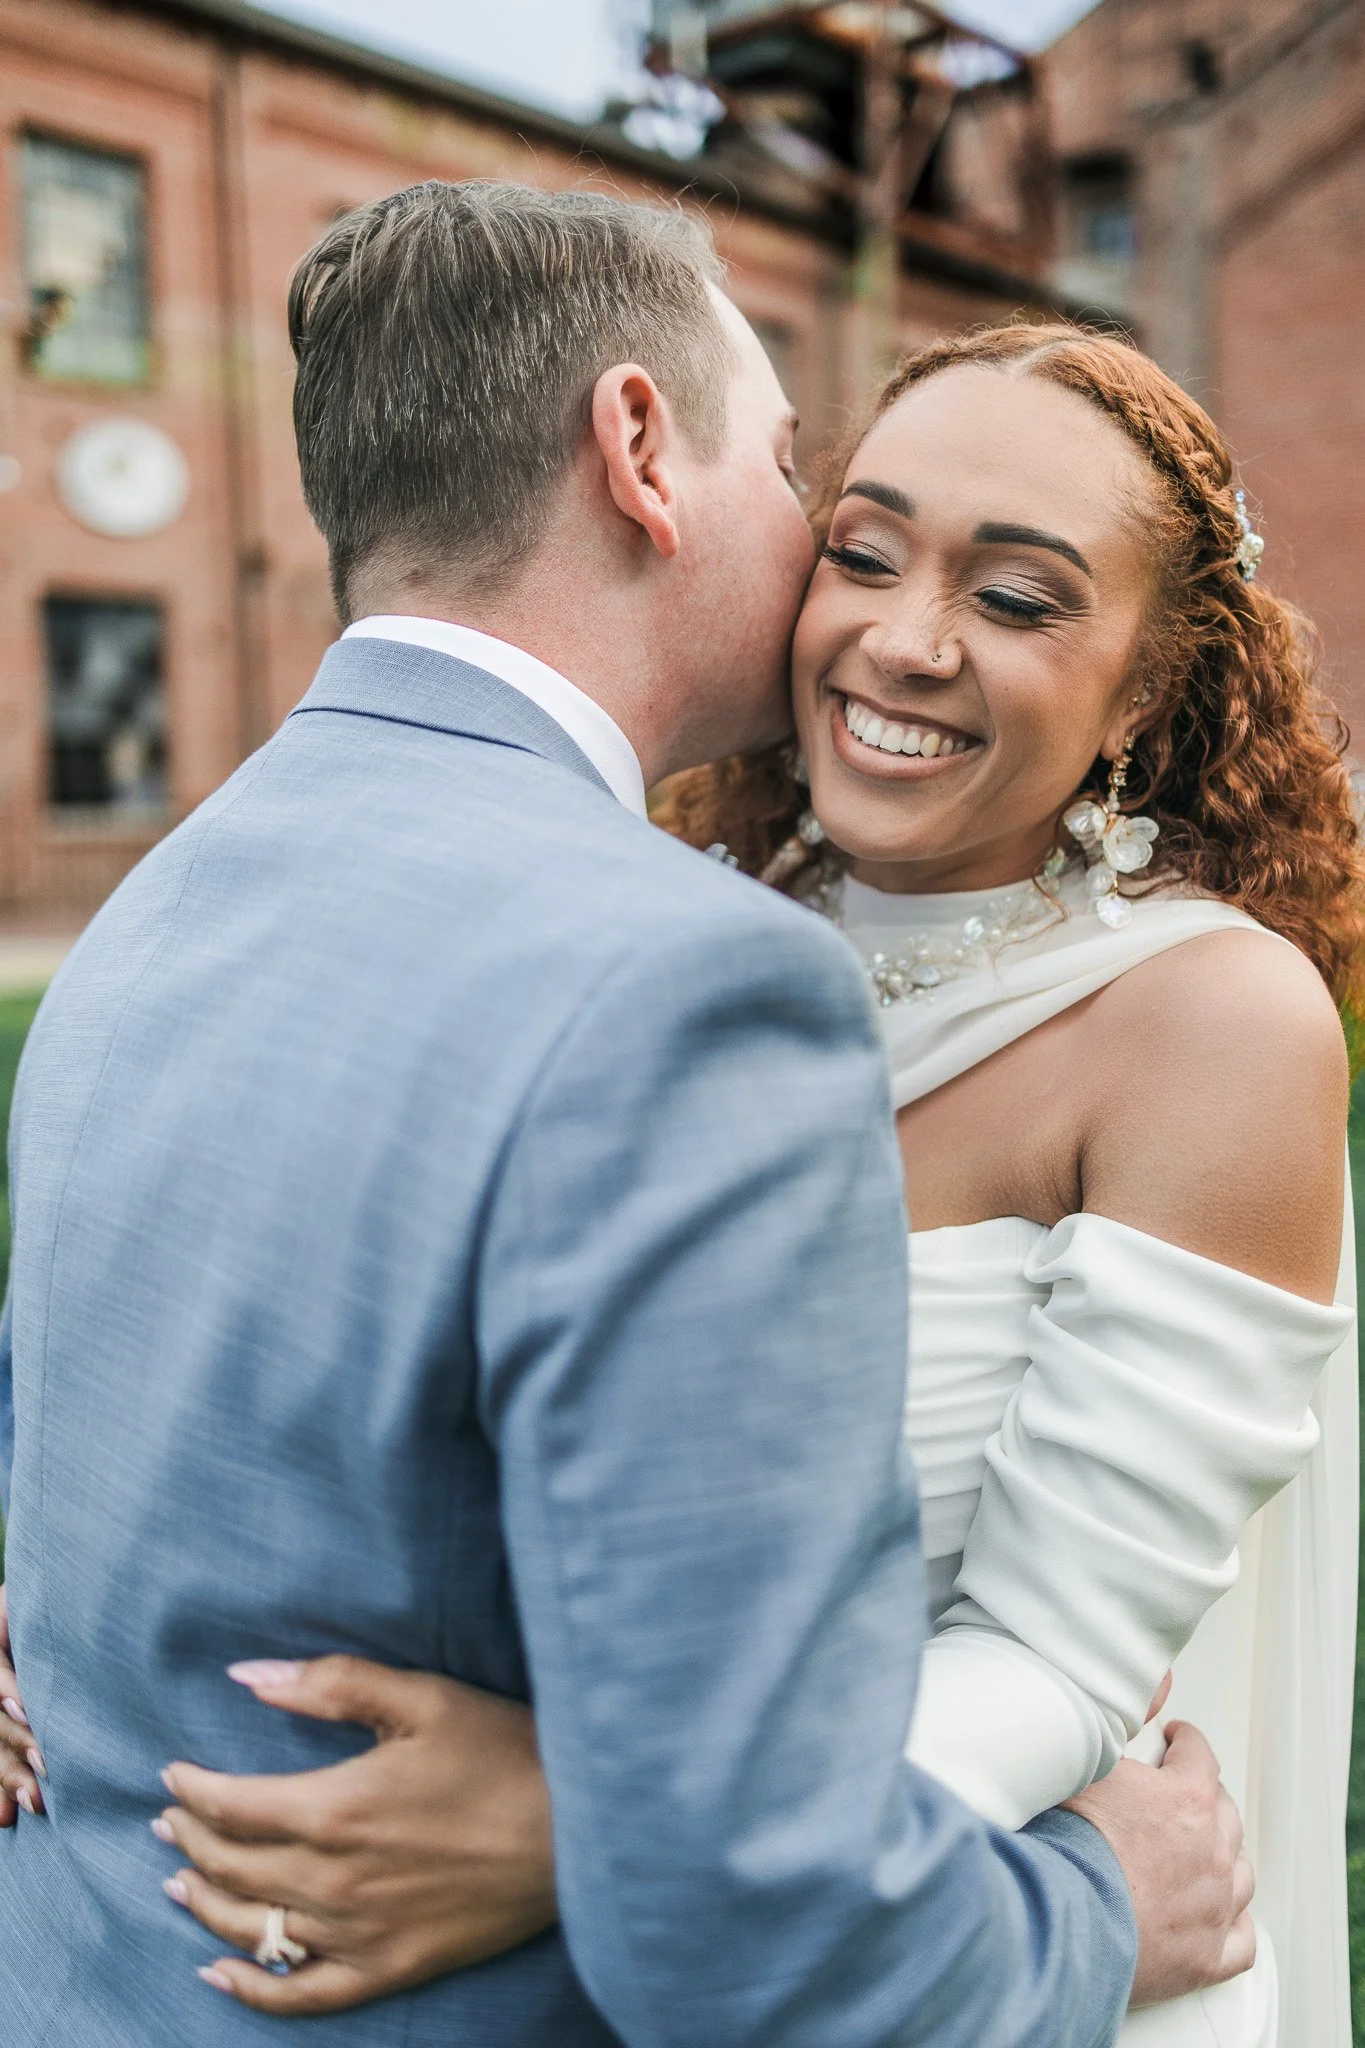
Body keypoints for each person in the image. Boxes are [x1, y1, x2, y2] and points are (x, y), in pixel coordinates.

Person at [0, 186, 1254, 2044]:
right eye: (793, 465)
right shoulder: (696, 987)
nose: (824, 556)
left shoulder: (161, 900)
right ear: (641, 449)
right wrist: (1100, 1909)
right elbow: (749, 1939)